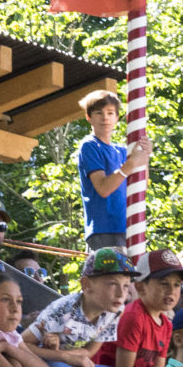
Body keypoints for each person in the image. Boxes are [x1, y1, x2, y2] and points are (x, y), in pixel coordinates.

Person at [75, 89, 148, 249]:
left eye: (110, 113)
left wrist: (144, 157)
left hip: (128, 228)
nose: (105, 118)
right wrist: (131, 164)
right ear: (89, 117)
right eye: (99, 113)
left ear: (117, 117)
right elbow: (103, 188)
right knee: (110, 274)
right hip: (103, 230)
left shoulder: (122, 151)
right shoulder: (90, 146)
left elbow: (141, 187)